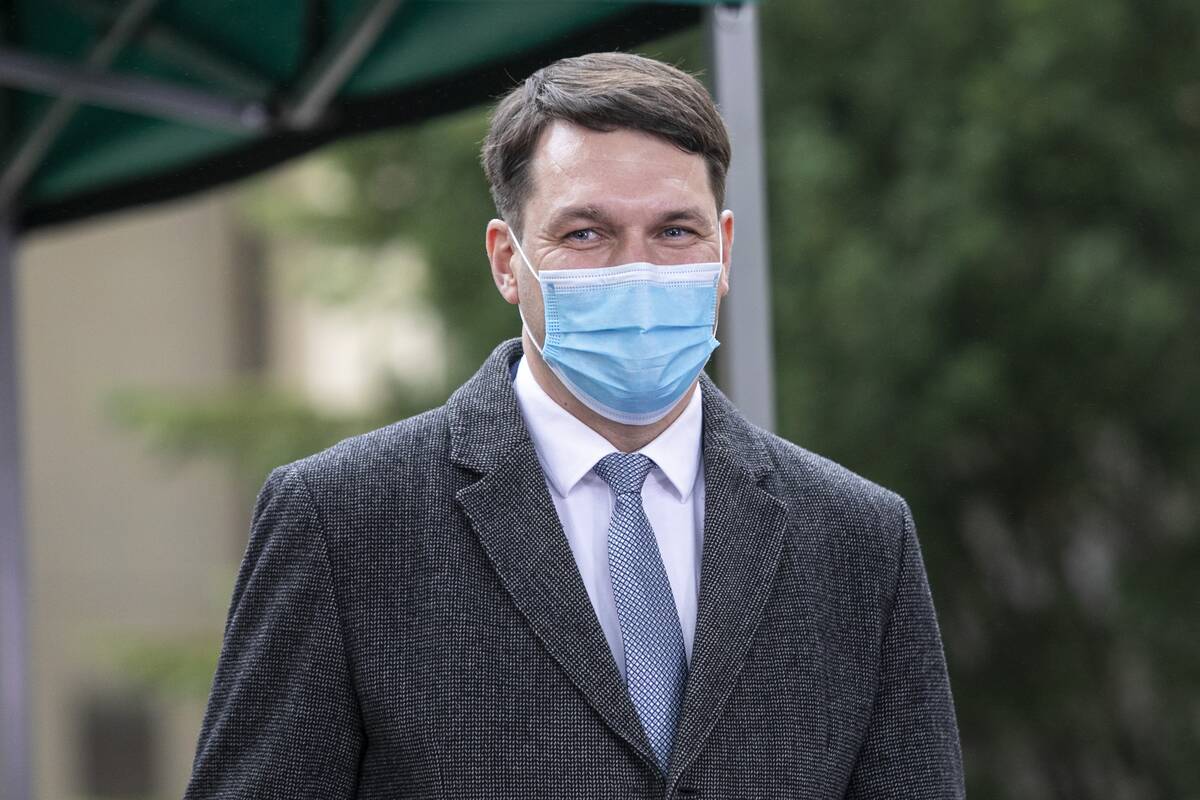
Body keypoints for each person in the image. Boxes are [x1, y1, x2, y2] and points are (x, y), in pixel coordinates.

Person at [183, 52, 964, 799]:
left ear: (724, 251)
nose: (638, 270)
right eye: (586, 233)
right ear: (506, 261)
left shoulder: (860, 538)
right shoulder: (344, 520)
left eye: (676, 231)